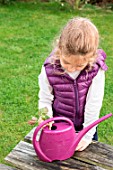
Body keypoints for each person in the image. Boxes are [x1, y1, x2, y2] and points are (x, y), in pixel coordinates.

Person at [38, 17, 108, 151]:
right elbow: (45, 98)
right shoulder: (49, 69)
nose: (70, 69)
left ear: (91, 57)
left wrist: (87, 136)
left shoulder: (95, 71)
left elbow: (93, 104)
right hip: (59, 125)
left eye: (79, 65)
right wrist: (45, 117)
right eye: (67, 62)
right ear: (60, 48)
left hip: (86, 126)